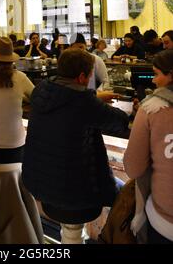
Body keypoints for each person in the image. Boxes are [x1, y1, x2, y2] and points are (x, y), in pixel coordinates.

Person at [22, 49, 129, 244]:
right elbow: (119, 122)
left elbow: (69, 102)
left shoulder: (42, 91)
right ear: (81, 77)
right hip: (77, 194)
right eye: (89, 77)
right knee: (127, 192)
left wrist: (94, 96)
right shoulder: (83, 102)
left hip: (43, 185)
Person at [124, 49, 173, 244]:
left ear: (170, 75)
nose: (153, 80)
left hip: (166, 222)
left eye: (156, 74)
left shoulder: (151, 109)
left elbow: (133, 168)